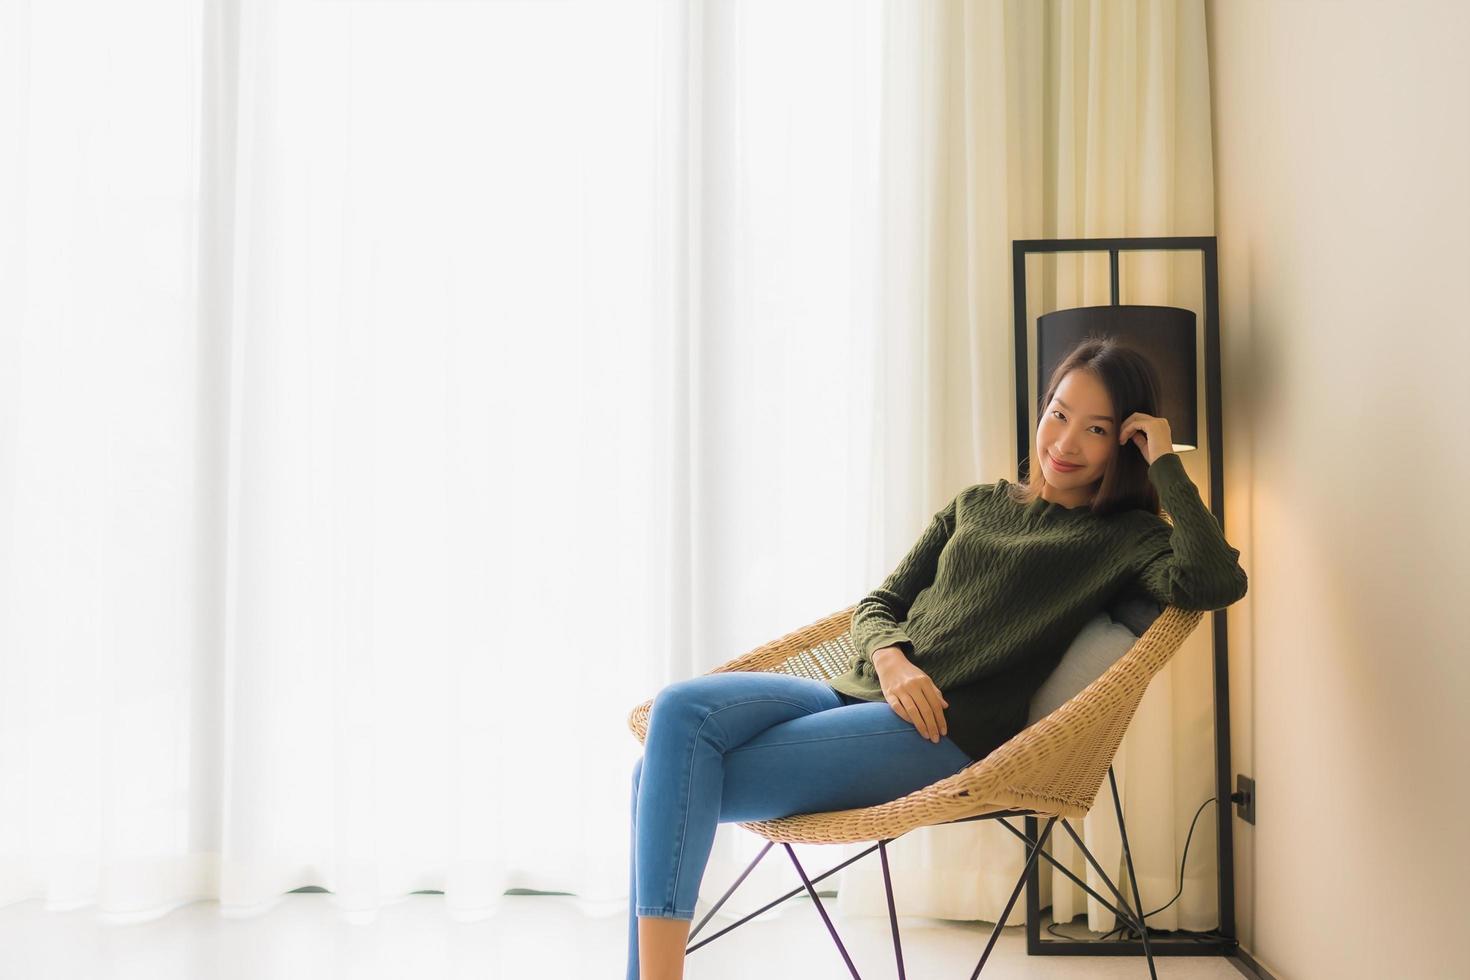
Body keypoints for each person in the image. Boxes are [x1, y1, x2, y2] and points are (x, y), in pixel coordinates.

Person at [626, 336, 1248, 980]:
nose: (1064, 444)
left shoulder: (1127, 539)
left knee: (657, 784)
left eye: (1096, 429)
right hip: (862, 689)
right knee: (678, 716)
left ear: (1127, 442)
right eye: (1058, 414)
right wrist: (892, 660)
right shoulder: (978, 504)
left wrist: (1167, 464)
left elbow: (1215, 583)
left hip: (938, 731)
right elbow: (880, 602)